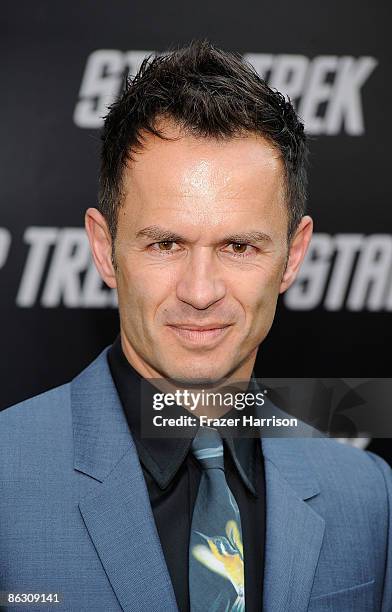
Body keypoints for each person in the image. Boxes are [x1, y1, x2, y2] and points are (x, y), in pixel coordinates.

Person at [0, 40, 391, 612]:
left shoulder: (366, 495)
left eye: (239, 246)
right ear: (105, 250)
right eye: (165, 244)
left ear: (294, 254)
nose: (200, 291)